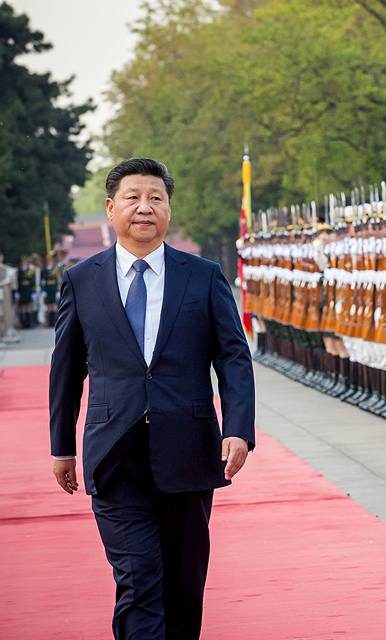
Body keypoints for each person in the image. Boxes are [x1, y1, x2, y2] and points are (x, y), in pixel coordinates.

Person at [48, 158, 255, 640]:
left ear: (169, 208)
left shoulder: (202, 276)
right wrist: (62, 445)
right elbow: (66, 369)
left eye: (156, 198)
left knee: (183, 588)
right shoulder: (81, 280)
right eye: (133, 198)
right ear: (110, 208)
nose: (145, 208)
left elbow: (233, 357)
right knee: (139, 583)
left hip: (187, 451)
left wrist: (239, 428)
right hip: (114, 456)